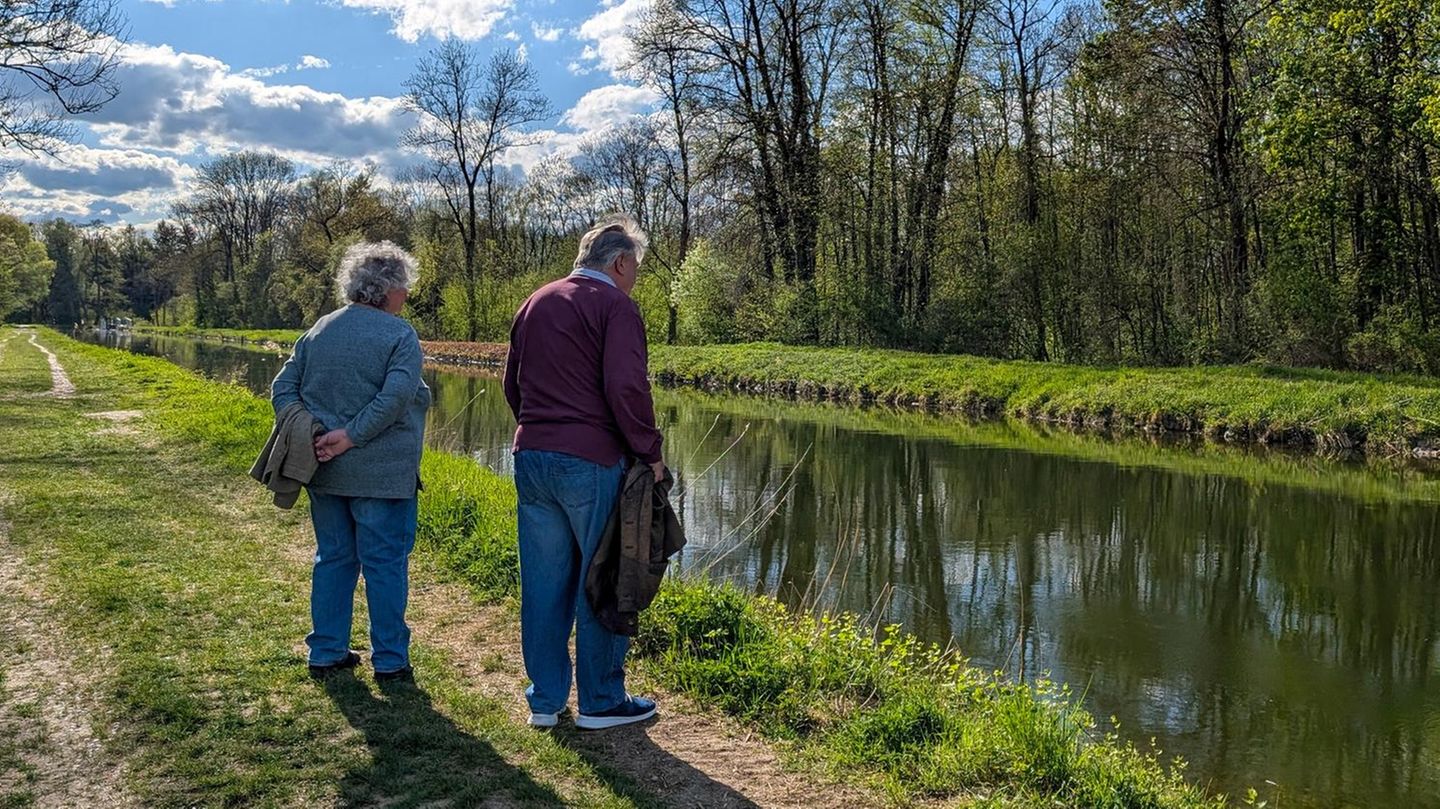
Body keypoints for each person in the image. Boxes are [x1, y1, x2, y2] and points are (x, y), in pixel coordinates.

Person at [503, 216, 664, 730]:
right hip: (592, 461)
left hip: (532, 456)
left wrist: (540, 430)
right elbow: (627, 389)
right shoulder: (616, 306)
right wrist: (650, 452)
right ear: (620, 262)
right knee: (605, 577)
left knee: (545, 582)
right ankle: (601, 700)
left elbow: (513, 383)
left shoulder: (536, 300)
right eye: (634, 267)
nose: (634, 276)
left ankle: (546, 701)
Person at [270, 241, 431, 682]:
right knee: (384, 564)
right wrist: (350, 436)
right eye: (404, 286)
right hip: (382, 475)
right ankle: (390, 661)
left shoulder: (319, 329)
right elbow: (396, 398)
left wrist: (316, 431)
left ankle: (325, 651)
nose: (407, 295)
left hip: (325, 470)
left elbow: (282, 390)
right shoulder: (400, 335)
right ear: (387, 289)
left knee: (334, 558)